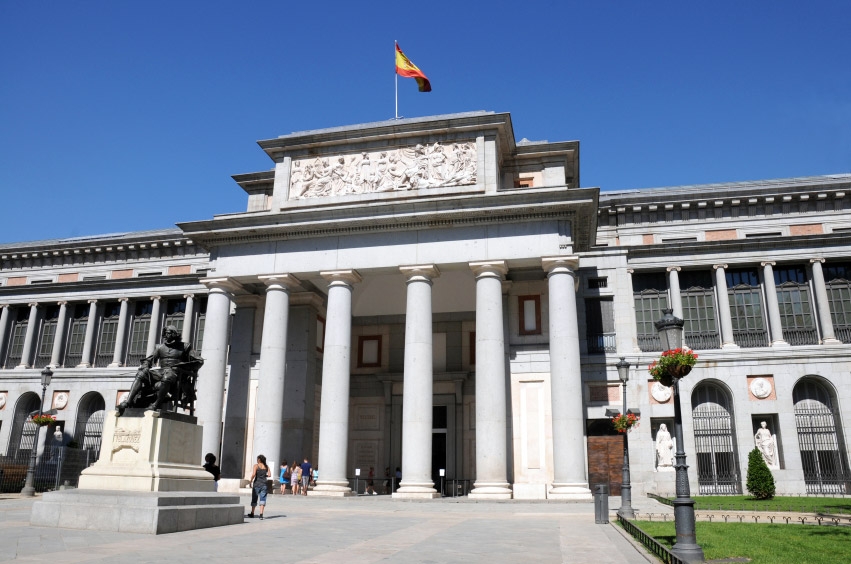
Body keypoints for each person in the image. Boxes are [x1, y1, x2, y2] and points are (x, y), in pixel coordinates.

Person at [117, 325, 204, 415]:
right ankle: (128, 402)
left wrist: (182, 366)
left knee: (167, 377)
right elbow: (148, 359)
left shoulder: (185, 346)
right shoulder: (160, 347)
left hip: (176, 374)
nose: (166, 335)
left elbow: (199, 361)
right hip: (160, 372)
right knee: (141, 373)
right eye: (165, 333)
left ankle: (156, 404)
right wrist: (146, 366)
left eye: (168, 333)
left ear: (174, 334)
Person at [247, 455, 269, 520]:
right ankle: (261, 514)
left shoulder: (256, 466)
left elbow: (253, 474)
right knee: (263, 499)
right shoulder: (266, 466)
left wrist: (250, 481)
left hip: (257, 484)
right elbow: (269, 474)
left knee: (254, 498)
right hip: (264, 484)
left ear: (259, 459)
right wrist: (265, 475)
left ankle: (252, 513)